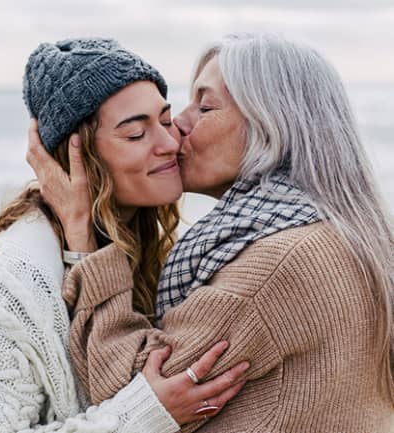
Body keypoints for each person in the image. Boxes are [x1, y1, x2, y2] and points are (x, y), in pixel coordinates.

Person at [28, 33, 394, 432]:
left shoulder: (274, 266)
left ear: (270, 126)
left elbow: (131, 396)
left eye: (205, 106)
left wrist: (84, 240)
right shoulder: (337, 233)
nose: (179, 125)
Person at [0, 38, 249, 433]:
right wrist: (144, 415)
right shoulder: (16, 272)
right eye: (136, 135)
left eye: (166, 122)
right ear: (78, 157)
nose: (169, 145)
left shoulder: (140, 243)